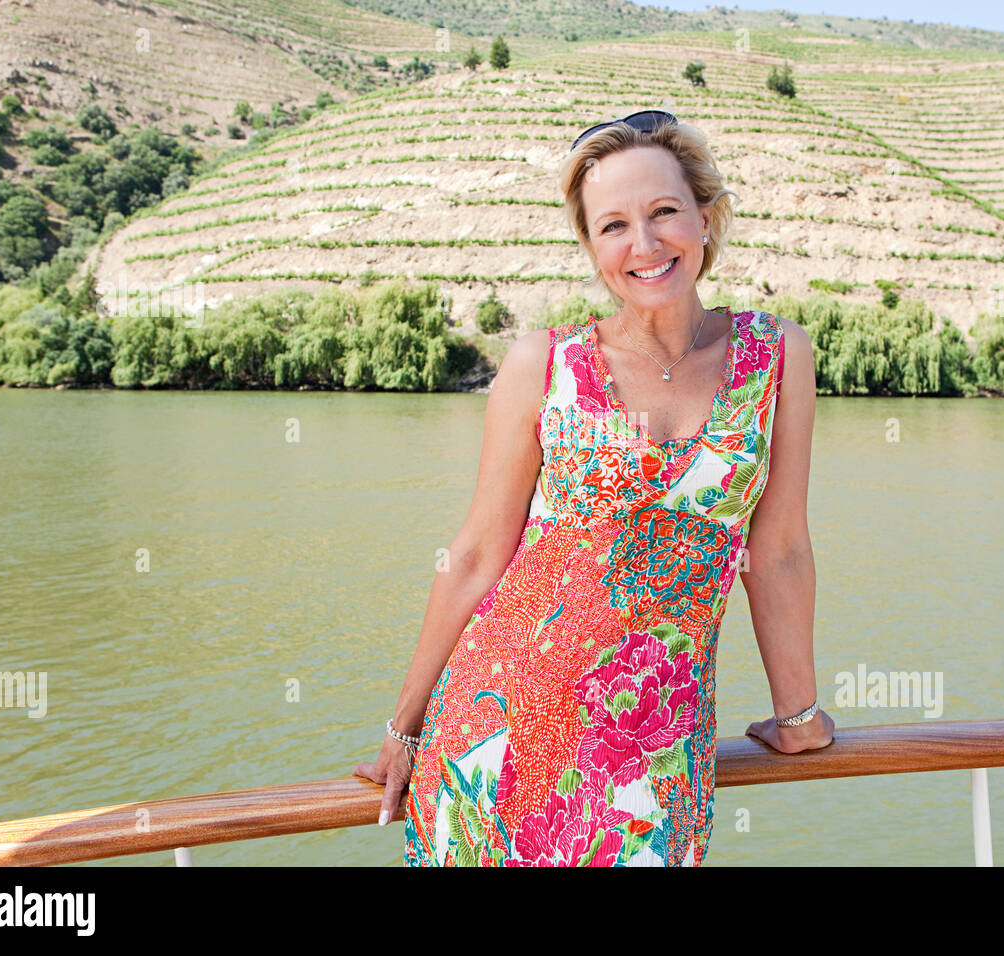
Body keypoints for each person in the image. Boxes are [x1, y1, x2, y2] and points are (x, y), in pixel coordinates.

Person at [352, 110, 833, 866]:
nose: (643, 245)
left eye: (664, 212)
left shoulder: (778, 357)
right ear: (591, 247)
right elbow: (477, 553)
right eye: (613, 225)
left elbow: (777, 553)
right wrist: (403, 730)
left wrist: (797, 714)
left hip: (652, 749)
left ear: (705, 218)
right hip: (498, 735)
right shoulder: (542, 365)